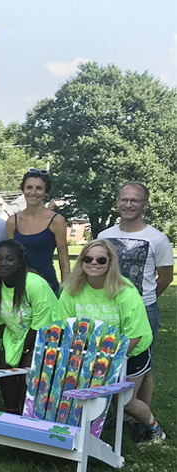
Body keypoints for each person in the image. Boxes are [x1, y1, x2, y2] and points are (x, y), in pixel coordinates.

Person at [55, 239, 163, 443]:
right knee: (82, 392)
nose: (93, 263)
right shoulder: (71, 290)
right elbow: (66, 328)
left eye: (101, 259)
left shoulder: (125, 290)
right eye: (88, 258)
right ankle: (82, 430)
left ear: (110, 262)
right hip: (91, 352)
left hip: (131, 350)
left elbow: (134, 334)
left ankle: (155, 429)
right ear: (81, 261)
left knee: (124, 401)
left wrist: (109, 363)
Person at [98, 181, 172, 440]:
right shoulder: (105, 236)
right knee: (107, 360)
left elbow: (165, 277)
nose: (129, 204)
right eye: (124, 199)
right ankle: (111, 413)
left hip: (144, 309)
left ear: (144, 205)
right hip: (110, 310)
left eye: (135, 200)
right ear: (118, 202)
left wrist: (145, 300)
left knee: (143, 365)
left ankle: (141, 419)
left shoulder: (157, 239)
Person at [0, 240, 58, 413]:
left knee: (28, 369)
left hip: (47, 337)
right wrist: (8, 347)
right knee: (5, 367)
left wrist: (24, 351)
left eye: (9, 259)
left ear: (19, 262)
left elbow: (41, 325)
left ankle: (29, 415)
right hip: (15, 335)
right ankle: (11, 413)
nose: (3, 263)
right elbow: (0, 321)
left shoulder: (34, 284)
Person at [7, 168, 69, 294]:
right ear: (23, 190)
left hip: (48, 286)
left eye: (39, 188)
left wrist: (67, 291)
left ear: (46, 192)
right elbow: (10, 258)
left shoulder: (56, 221)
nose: (33, 192)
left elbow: (64, 260)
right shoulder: (12, 221)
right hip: (20, 287)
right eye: (29, 187)